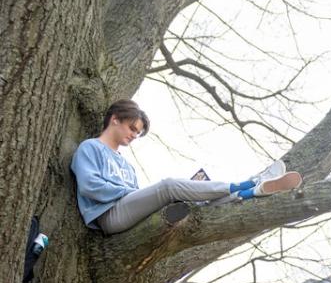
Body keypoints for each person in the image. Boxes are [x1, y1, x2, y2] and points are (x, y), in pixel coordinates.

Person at [71, 99, 302, 235]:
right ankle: (244, 183)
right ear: (115, 119)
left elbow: (136, 199)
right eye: (132, 128)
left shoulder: (126, 166)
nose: (133, 135)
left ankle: (251, 192)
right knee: (169, 186)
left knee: (190, 204)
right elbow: (91, 187)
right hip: (109, 216)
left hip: (128, 213)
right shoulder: (91, 148)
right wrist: (131, 193)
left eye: (137, 133)